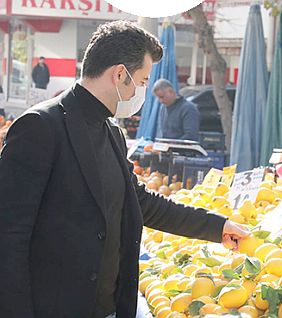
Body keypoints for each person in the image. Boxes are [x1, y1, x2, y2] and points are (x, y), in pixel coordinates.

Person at [0, 21, 248, 318]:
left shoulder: (112, 132)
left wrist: (216, 226)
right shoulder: (40, 126)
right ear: (120, 74)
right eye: (142, 81)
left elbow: (139, 202)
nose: (142, 91)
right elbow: (9, 232)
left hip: (106, 307)